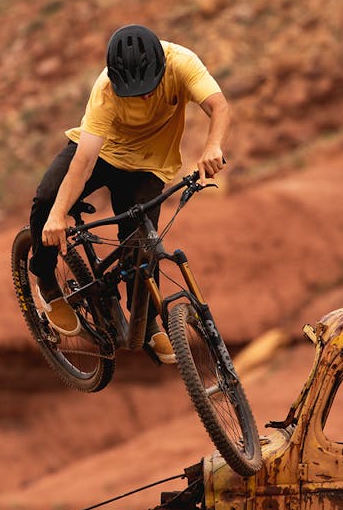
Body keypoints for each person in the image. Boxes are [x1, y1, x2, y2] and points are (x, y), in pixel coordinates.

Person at [28, 24, 230, 363]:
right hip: (103, 152)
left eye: (149, 88)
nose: (144, 97)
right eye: (133, 92)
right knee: (47, 199)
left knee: (142, 246)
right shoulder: (105, 90)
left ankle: (148, 323)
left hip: (149, 165)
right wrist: (58, 214)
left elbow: (219, 107)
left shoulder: (182, 63)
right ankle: (47, 281)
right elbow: (86, 158)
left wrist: (212, 146)